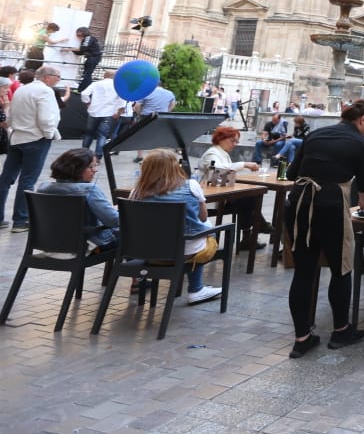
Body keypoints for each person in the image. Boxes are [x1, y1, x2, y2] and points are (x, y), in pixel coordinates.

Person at [284, 99, 364, 358]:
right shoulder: (360, 143)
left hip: (300, 202)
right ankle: (340, 331)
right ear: (362, 120)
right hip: (332, 204)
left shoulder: (315, 134)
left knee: (303, 272)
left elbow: (292, 173)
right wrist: (363, 207)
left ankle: (301, 337)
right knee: (341, 267)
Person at [131, 149, 223, 305]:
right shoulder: (191, 186)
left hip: (149, 254)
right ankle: (196, 288)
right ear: (174, 167)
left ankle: (141, 279)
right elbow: (203, 216)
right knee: (206, 227)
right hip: (186, 253)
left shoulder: (137, 192)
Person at [0, 65, 61, 233]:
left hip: (17, 138)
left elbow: (10, 116)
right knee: (27, 180)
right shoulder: (45, 92)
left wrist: (14, 129)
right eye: (57, 76)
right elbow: (46, 118)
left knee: (5, 179)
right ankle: (20, 221)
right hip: (35, 139)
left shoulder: (21, 89)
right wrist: (49, 134)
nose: (58, 80)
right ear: (47, 77)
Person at [198, 126, 270, 249]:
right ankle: (259, 227)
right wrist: (244, 164)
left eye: (236, 141)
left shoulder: (222, 153)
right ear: (221, 139)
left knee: (249, 196)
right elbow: (219, 172)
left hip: (222, 193)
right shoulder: (212, 153)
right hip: (210, 198)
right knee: (248, 198)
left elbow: (227, 173)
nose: (235, 144)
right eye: (233, 141)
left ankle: (253, 233)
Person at [40, 148, 119, 251]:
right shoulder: (89, 190)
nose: (95, 170)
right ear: (77, 169)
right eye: (91, 167)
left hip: (52, 243)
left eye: (95, 166)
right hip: (87, 245)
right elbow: (113, 220)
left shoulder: (43, 188)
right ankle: (132, 266)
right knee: (137, 232)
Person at [81, 69, 125, 160]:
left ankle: (83, 154)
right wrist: (118, 112)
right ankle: (97, 157)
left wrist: (88, 103)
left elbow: (84, 93)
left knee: (89, 134)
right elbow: (122, 101)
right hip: (108, 113)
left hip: (93, 112)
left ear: (104, 76)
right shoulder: (118, 86)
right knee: (102, 136)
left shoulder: (96, 84)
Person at [71, 27, 103, 93]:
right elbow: (81, 52)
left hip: (93, 58)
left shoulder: (88, 38)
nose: (77, 36)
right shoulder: (86, 40)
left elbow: (83, 48)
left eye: (79, 34)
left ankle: (81, 90)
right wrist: (73, 50)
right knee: (87, 74)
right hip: (92, 58)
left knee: (87, 74)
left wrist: (69, 49)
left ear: (83, 32)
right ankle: (90, 89)